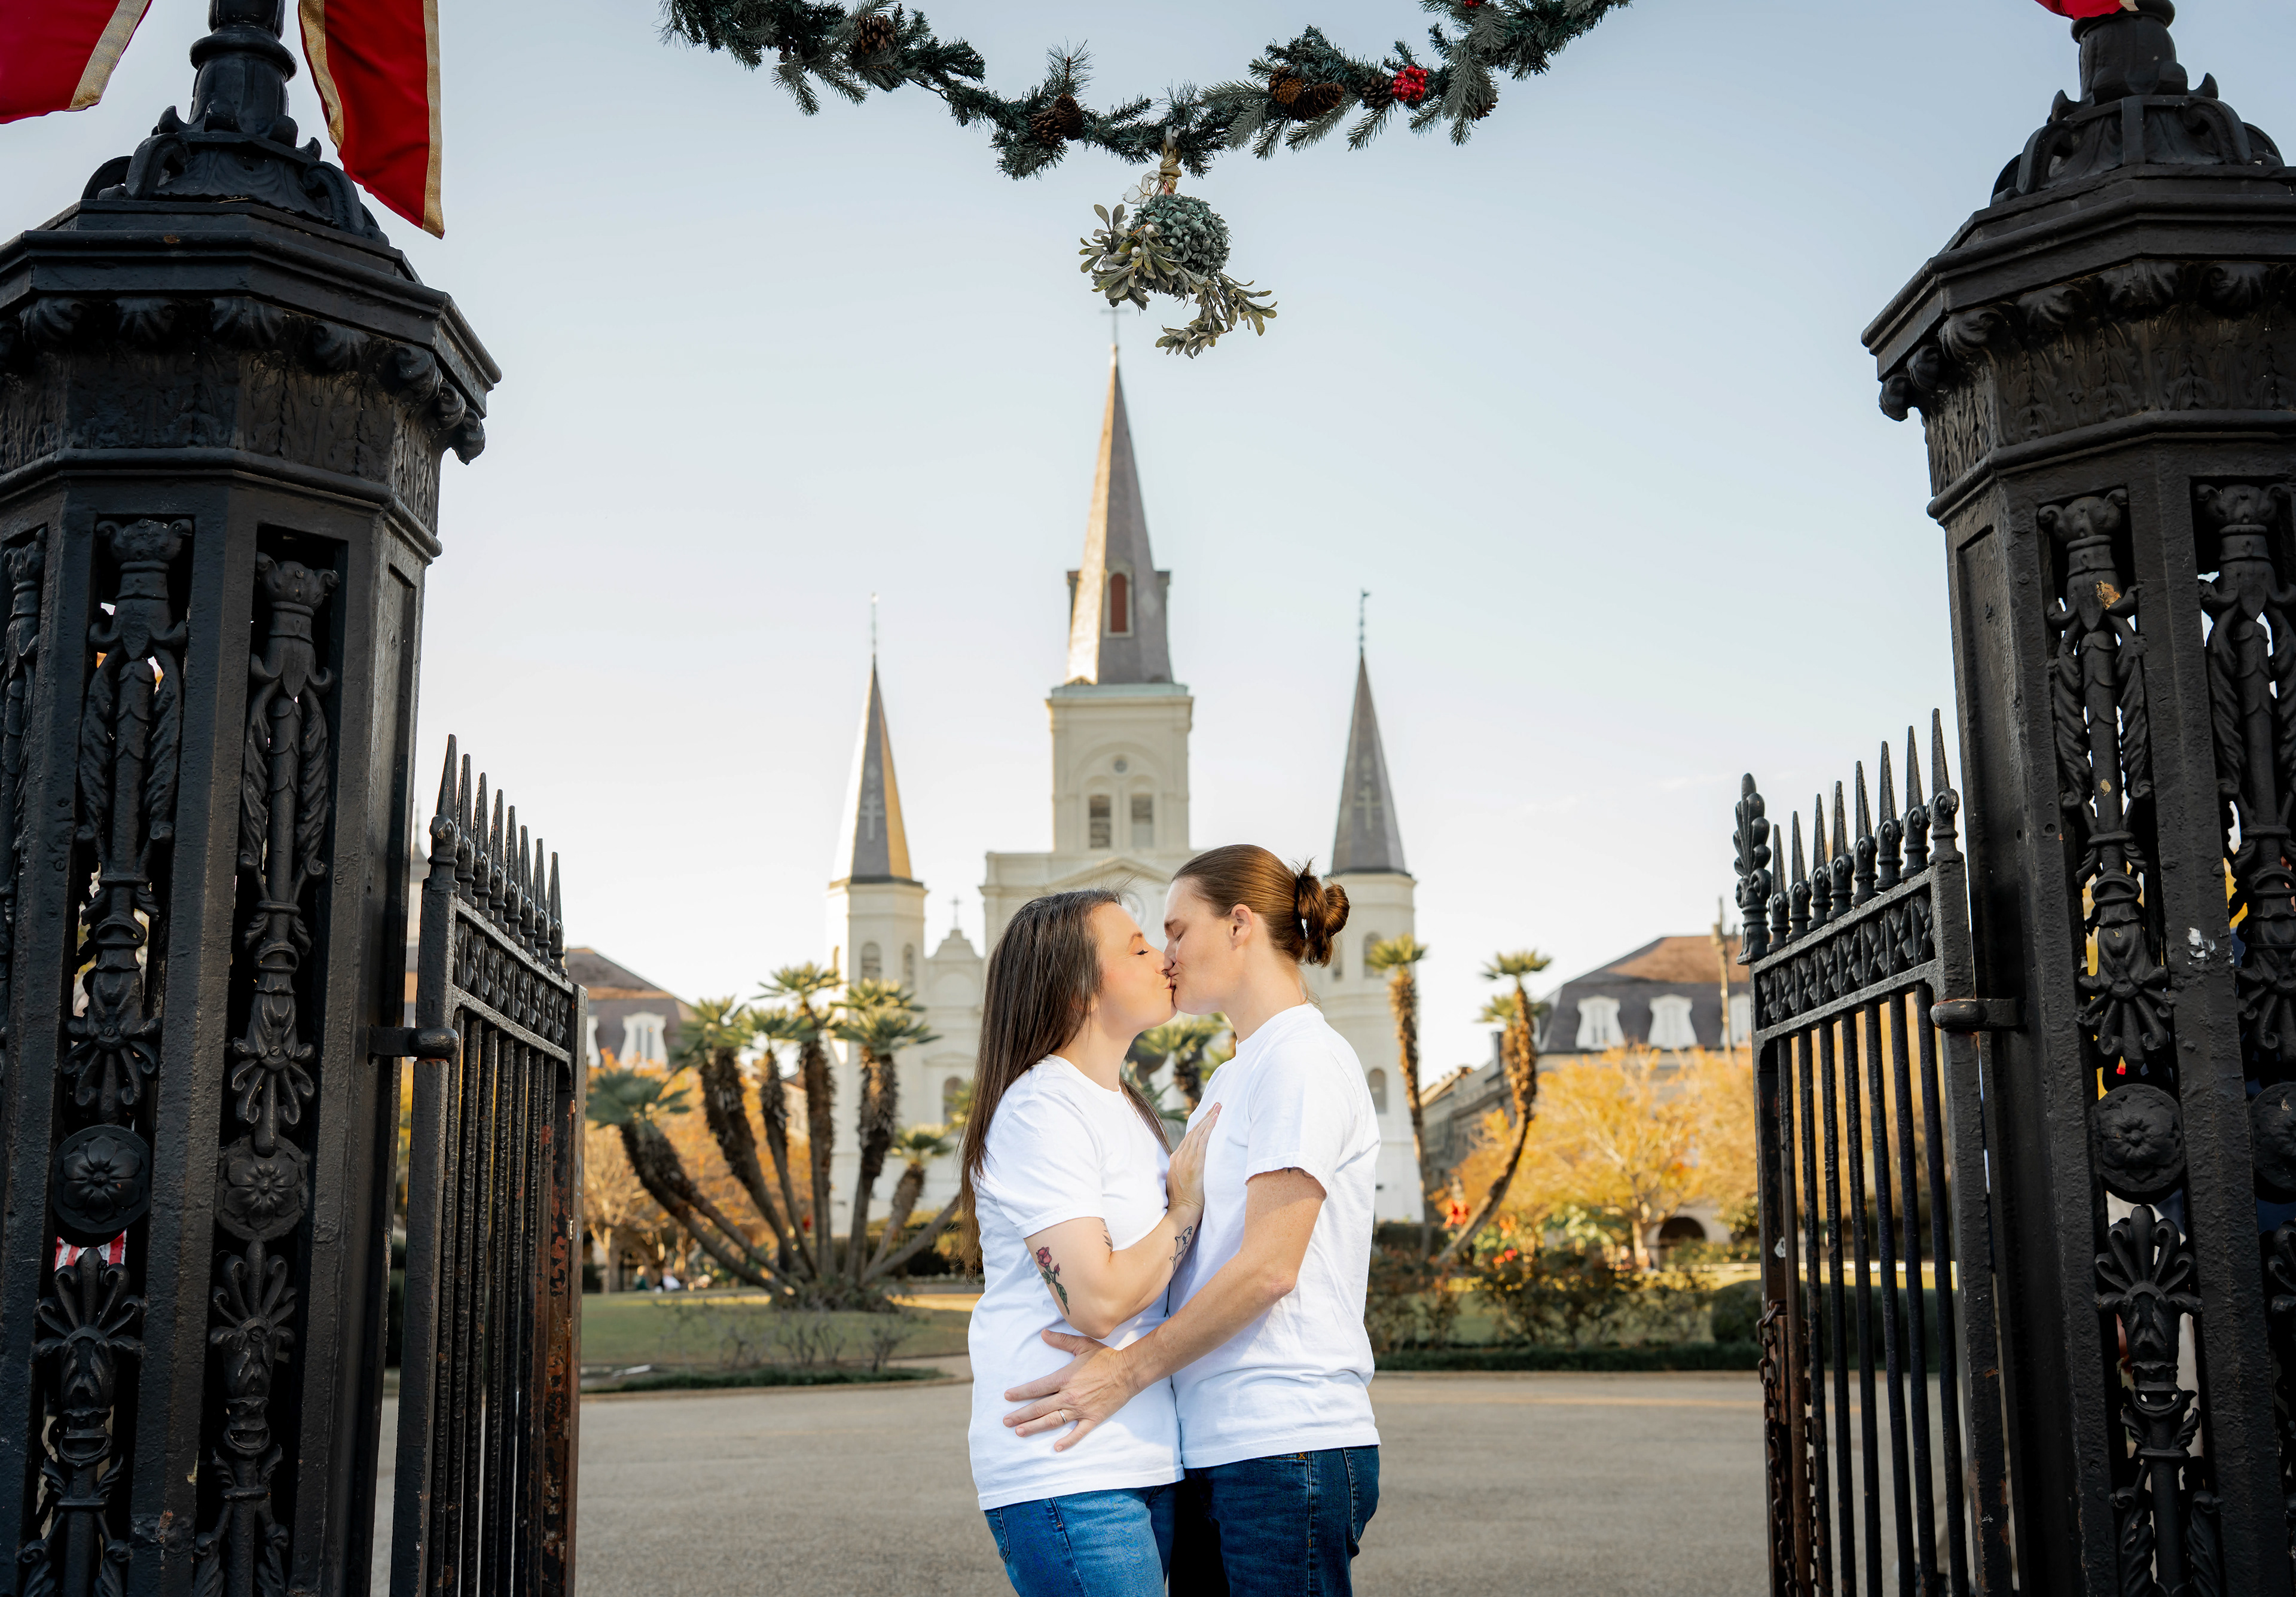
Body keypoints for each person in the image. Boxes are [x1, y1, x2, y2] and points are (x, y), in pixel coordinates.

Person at [1003, 845, 1381, 1595]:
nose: (1166, 956)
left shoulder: (1302, 1061)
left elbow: (1269, 1268)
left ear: (1239, 925)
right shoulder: (1235, 1074)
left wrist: (1126, 1372)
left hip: (1286, 1441)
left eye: (1176, 931)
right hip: (1221, 1447)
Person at [961, 888, 1225, 1597]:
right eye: (1137, 947)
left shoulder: (1126, 1108)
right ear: (1078, 987)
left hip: (1143, 1451)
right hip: (1066, 1463)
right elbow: (1096, 1300)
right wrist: (1184, 1209)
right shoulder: (1041, 1108)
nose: (1164, 957)